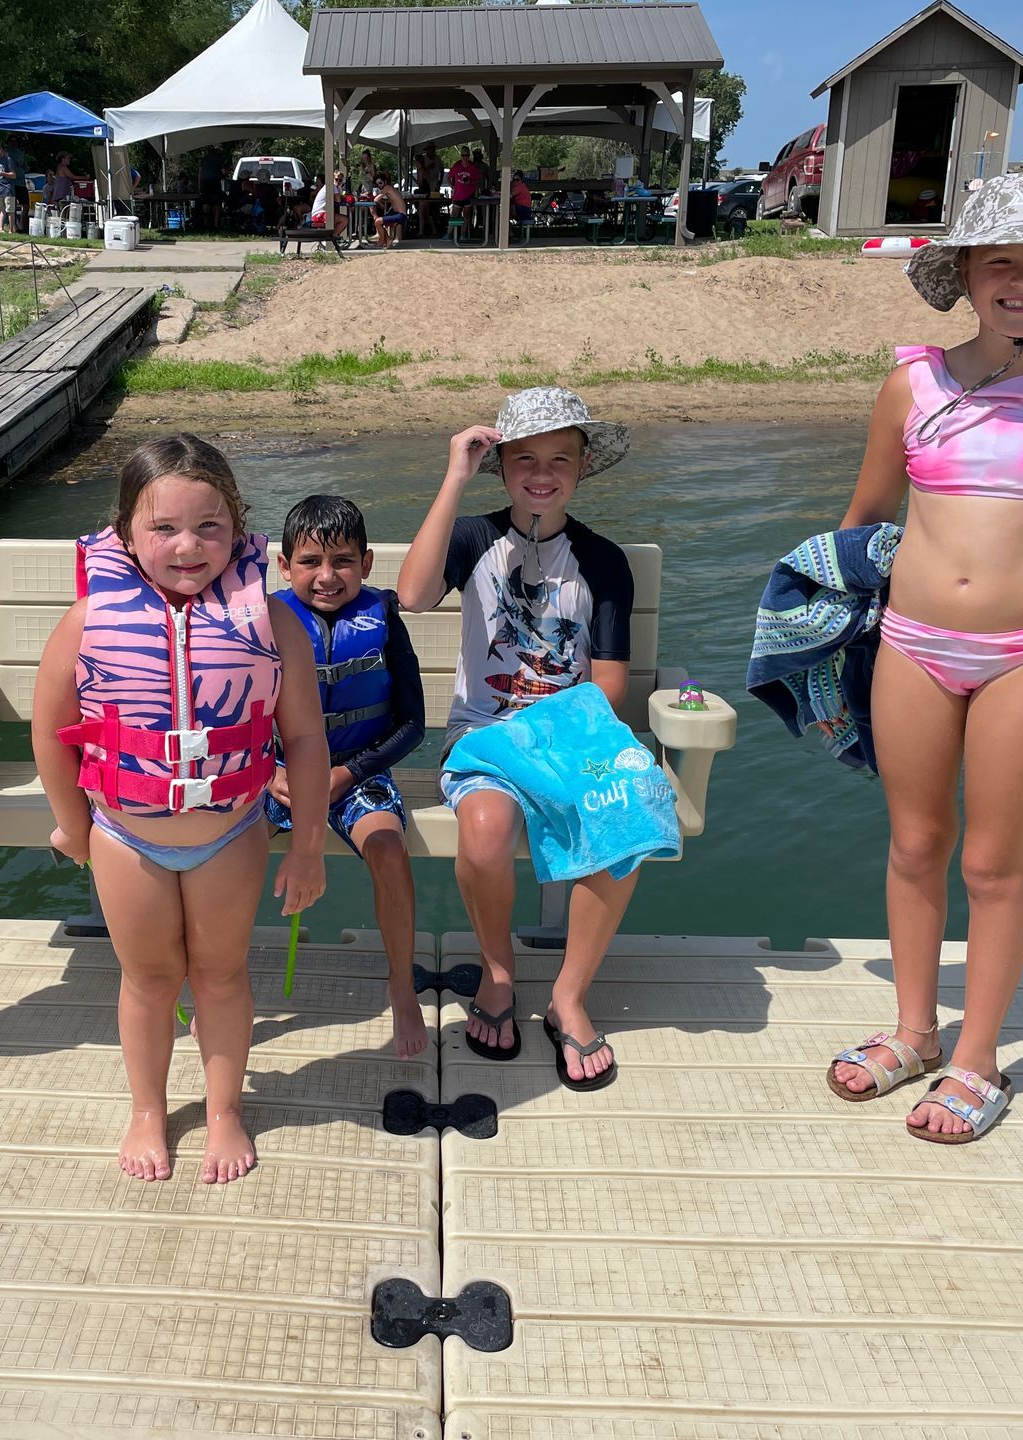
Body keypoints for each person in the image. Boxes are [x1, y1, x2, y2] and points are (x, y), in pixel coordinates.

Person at [826, 173, 1023, 1142]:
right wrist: (820, 636)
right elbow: (862, 524)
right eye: (999, 260)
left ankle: (979, 1059)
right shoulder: (910, 385)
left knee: (994, 864)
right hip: (910, 650)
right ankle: (915, 1030)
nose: (1022, 279)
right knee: (915, 845)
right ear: (962, 270)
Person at [34, 435, 328, 1183]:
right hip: (124, 836)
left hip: (230, 832)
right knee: (148, 978)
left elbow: (303, 735)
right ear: (126, 536)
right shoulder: (86, 620)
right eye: (163, 528)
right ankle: (147, 1110)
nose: (188, 546)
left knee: (223, 975)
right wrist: (72, 821)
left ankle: (225, 1110)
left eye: (209, 526)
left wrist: (307, 847)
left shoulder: (274, 620)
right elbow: (49, 727)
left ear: (238, 528)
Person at [397, 387, 638, 1091]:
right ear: (501, 465)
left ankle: (569, 994)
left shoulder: (604, 561)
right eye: (524, 458)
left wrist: (553, 739)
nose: (542, 472)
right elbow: (411, 595)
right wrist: (453, 476)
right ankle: (499, 973)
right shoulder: (474, 537)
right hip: (483, 738)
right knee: (483, 827)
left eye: (560, 458)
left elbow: (611, 685)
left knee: (625, 815)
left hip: (569, 736)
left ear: (583, 465)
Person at [266, 496, 428, 1059]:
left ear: (368, 562)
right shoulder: (264, 624)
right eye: (310, 562)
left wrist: (347, 772)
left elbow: (413, 725)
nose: (327, 576)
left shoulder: (384, 621)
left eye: (343, 561)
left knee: (388, 850)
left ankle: (402, 987)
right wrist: (267, 775)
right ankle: (218, 987)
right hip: (279, 775)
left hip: (356, 772)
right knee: (223, 852)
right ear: (284, 567)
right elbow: (234, 716)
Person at [371, 172, 408, 248]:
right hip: (398, 213)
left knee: (377, 222)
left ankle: (382, 240)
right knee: (377, 220)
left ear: (385, 181)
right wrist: (381, 204)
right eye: (377, 184)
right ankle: (387, 239)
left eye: (380, 183)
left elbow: (375, 199)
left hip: (401, 215)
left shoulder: (387, 188)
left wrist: (380, 204)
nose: (379, 186)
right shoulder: (389, 188)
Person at [415, 142, 443, 237]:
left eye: (433, 149)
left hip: (431, 188)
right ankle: (429, 230)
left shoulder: (437, 159)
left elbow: (441, 171)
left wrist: (440, 182)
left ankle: (424, 230)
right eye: (430, 149)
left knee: (425, 211)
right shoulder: (424, 161)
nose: (432, 151)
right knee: (425, 212)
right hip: (427, 188)